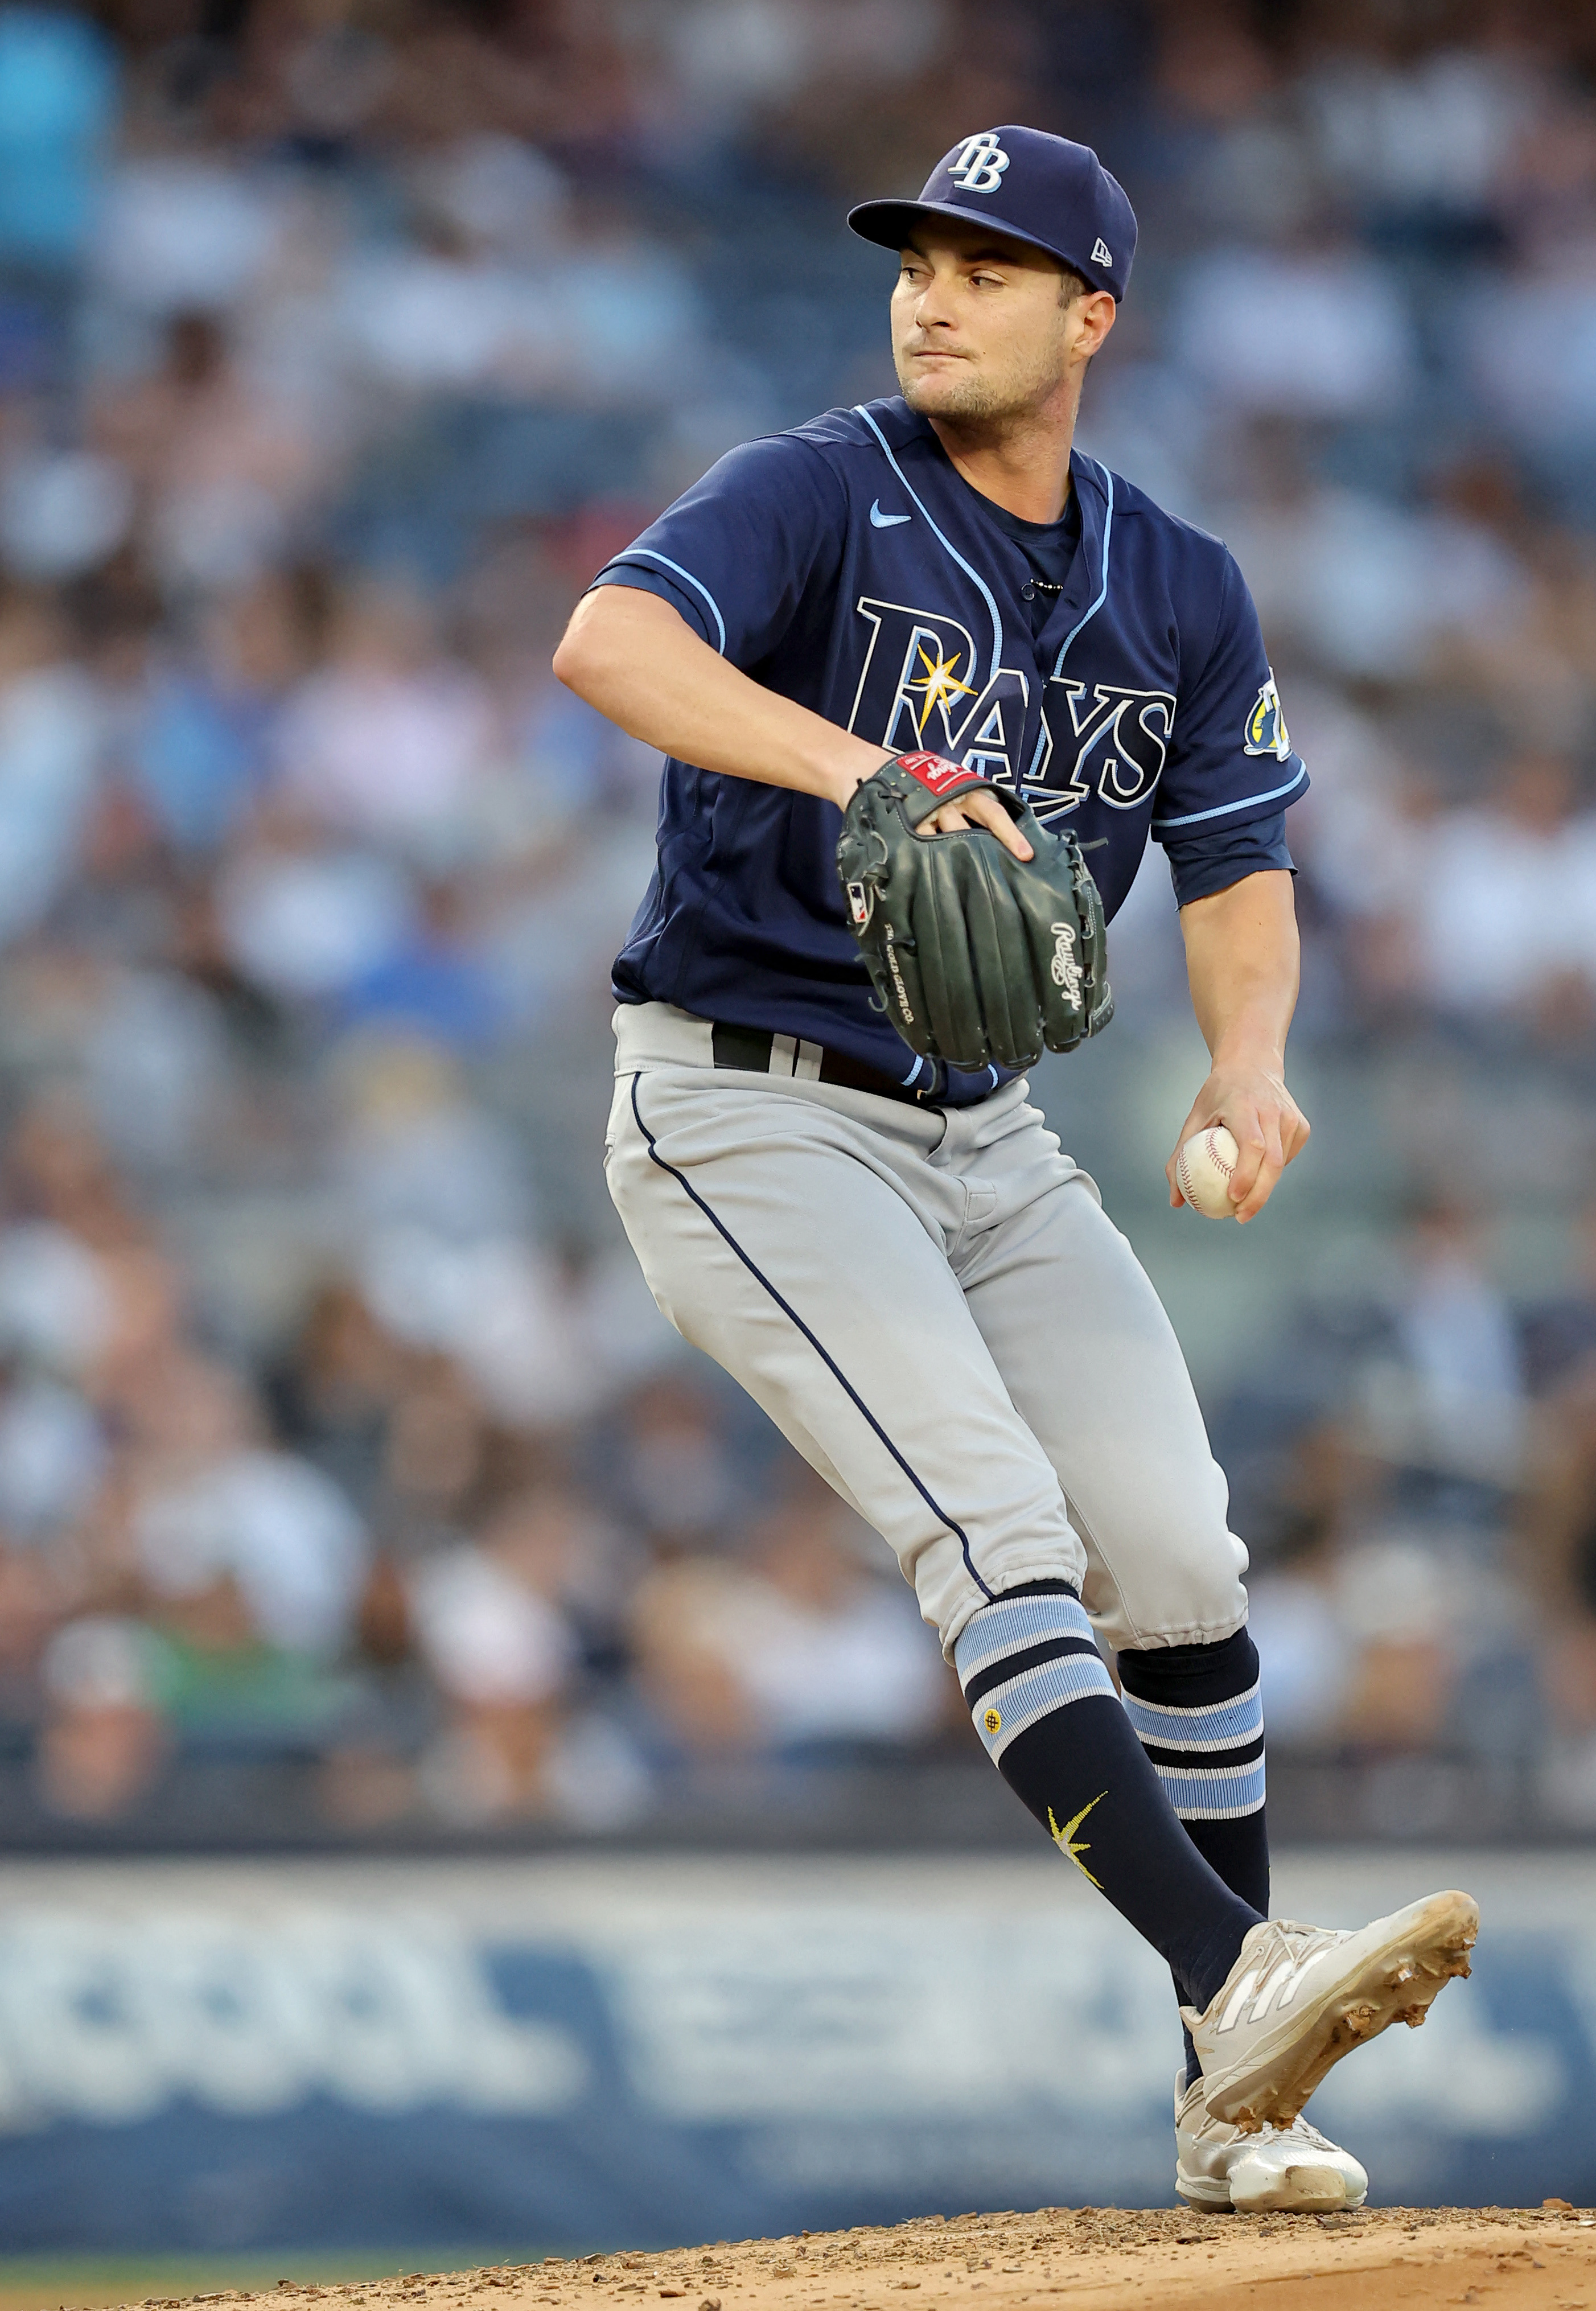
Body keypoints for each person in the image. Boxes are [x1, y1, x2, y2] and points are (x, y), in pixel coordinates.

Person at [554, 125, 1475, 2215]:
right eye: (917, 259)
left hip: (989, 1131)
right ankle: (1239, 1972)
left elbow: (1237, 863)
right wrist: (856, 757)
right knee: (993, 1524)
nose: (931, 293)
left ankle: (1231, 2109)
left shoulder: (1180, 581)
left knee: (1174, 1551)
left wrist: (1248, 1066)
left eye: (988, 264)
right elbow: (608, 644)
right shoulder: (817, 486)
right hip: (745, 1104)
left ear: (1092, 316)